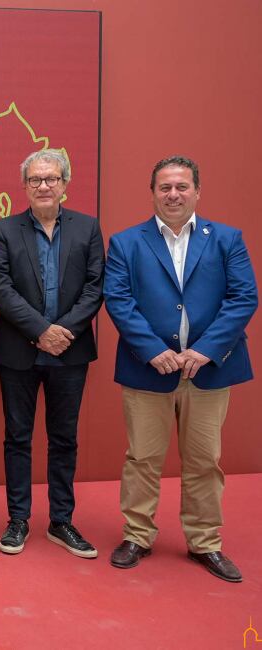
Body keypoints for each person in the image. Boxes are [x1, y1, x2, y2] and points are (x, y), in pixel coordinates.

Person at [104, 156, 257, 582]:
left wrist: (205, 350)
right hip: (147, 369)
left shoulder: (227, 239)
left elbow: (243, 298)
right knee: (142, 458)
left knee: (205, 461)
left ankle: (205, 542)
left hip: (209, 370)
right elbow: (118, 300)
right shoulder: (126, 242)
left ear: (197, 192)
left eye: (182, 187)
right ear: (153, 192)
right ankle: (137, 535)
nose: (173, 194)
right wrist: (153, 350)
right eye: (165, 187)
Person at [0, 149, 105, 558]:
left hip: (70, 352)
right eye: (35, 179)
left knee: (63, 438)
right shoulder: (3, 229)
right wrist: (40, 331)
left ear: (65, 184)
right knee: (17, 437)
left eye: (51, 178)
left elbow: (95, 286)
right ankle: (18, 519)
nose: (43, 186)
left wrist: (62, 332)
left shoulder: (88, 229)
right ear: (25, 186)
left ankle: (61, 521)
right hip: (19, 350)